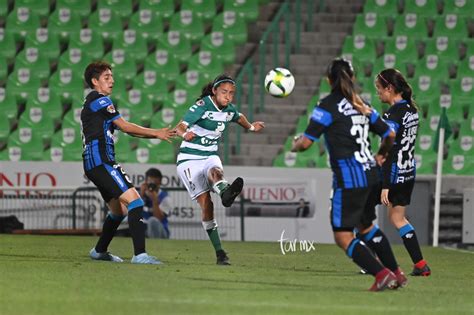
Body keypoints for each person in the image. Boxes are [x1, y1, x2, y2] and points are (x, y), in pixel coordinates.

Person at [292, 58, 407, 291]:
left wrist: (295, 144)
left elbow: (305, 144)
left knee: (343, 236)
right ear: (352, 78)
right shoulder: (361, 103)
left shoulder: (326, 106)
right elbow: (390, 135)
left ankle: (382, 274)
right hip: (371, 175)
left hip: (350, 179)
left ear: (328, 80)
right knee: (366, 227)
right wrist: (381, 155)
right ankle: (397, 273)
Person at [82, 61, 175, 264]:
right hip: (102, 161)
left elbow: (127, 129)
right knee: (136, 201)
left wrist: (154, 135)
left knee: (118, 211)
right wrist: (157, 132)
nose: (112, 80)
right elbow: (126, 127)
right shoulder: (100, 100)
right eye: (107, 77)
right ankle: (140, 255)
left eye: (112, 77)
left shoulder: (92, 102)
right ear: (94, 81)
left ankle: (99, 251)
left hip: (92, 164)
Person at [174, 74, 265, 265]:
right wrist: (185, 134)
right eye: (224, 92)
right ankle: (219, 251)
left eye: (231, 93)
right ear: (214, 91)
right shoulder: (202, 106)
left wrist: (251, 127)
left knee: (216, 171)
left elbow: (238, 117)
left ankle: (225, 193)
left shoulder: (228, 110)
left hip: (209, 155)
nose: (228, 97)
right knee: (207, 204)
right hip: (190, 159)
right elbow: (180, 126)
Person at [375, 68, 431, 276]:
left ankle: (370, 264)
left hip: (392, 173)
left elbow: (389, 147)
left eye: (379, 89)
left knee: (360, 209)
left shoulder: (392, 114)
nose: (378, 93)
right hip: (408, 170)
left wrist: (385, 185)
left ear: (389, 88)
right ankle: (420, 264)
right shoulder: (411, 109)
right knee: (398, 219)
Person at [139, 168, 171, 239]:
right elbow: (134, 214)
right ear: (145, 182)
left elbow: (158, 218)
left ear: (159, 183)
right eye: (150, 183)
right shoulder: (139, 195)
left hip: (161, 232)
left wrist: (155, 200)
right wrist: (141, 196)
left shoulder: (165, 197)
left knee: (152, 221)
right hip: (143, 230)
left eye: (155, 184)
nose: (152, 187)